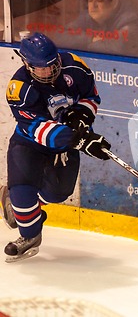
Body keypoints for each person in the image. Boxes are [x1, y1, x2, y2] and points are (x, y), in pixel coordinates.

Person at [0, 32, 111, 263]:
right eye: (39, 68)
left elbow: (91, 96)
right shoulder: (19, 87)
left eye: (51, 65)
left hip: (65, 144)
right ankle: (29, 235)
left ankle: (21, 208)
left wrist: (80, 116)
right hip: (29, 143)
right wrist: (78, 140)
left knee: (58, 193)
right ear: (26, 64)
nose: (47, 72)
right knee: (22, 191)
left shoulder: (75, 67)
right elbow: (36, 128)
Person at [58, 0, 138, 56]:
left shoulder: (129, 20)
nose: (93, 5)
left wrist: (84, 44)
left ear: (114, 3)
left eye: (99, 0)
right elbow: (61, 37)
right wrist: (90, 39)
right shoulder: (87, 17)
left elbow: (118, 48)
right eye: (90, 0)